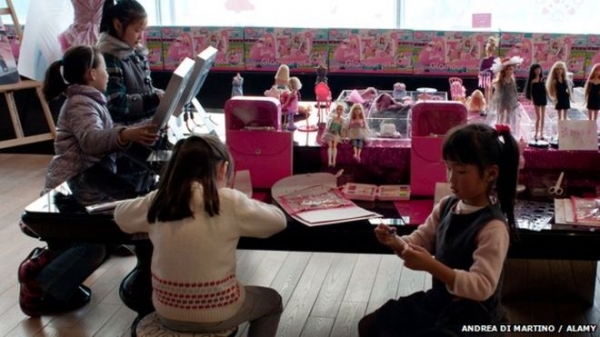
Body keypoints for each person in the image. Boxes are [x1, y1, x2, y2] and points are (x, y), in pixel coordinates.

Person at [18, 45, 158, 318]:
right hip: (70, 190)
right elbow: (91, 140)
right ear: (92, 74)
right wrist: (126, 135)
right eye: (105, 68)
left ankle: (54, 274)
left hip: (84, 186)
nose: (108, 74)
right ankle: (38, 282)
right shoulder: (81, 103)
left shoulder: (89, 100)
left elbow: (103, 134)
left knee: (105, 240)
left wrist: (128, 133)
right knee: (93, 246)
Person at [114, 135, 286, 336]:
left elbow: (120, 215)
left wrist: (152, 198)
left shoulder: (158, 200)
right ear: (222, 168)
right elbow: (278, 221)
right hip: (218, 311)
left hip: (166, 310)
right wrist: (245, 202)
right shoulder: (227, 200)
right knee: (272, 301)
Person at [359, 123, 519, 336]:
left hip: (474, 318)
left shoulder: (493, 227)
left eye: (461, 171)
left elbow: (482, 287)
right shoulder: (447, 205)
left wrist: (432, 266)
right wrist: (395, 241)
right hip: (441, 303)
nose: (451, 178)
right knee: (372, 325)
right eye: (448, 167)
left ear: (491, 173)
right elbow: (419, 240)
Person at [97, 0, 165, 191]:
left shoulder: (134, 53)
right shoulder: (109, 57)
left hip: (142, 133)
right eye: (137, 30)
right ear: (118, 25)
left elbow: (142, 89)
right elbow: (116, 104)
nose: (140, 37)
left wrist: (158, 98)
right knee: (133, 193)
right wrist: (153, 99)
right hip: (125, 145)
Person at [490, 56, 522, 130]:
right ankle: (498, 128)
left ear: (512, 70)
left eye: (510, 69)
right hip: (502, 100)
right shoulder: (502, 80)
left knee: (509, 115)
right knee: (500, 115)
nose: (508, 71)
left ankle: (508, 129)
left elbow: (514, 90)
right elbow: (497, 91)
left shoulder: (512, 80)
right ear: (504, 71)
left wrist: (517, 99)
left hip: (510, 100)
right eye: (507, 69)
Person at [524, 63, 548, 142]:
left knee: (543, 117)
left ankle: (541, 133)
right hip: (537, 99)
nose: (538, 71)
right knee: (538, 117)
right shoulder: (532, 81)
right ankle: (536, 133)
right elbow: (531, 93)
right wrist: (532, 100)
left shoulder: (543, 79)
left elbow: (545, 90)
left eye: (539, 69)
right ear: (533, 71)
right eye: (536, 69)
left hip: (543, 98)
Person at [478, 36, 498, 116]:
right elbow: (481, 70)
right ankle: (488, 107)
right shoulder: (487, 59)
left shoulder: (491, 59)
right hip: (487, 77)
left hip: (489, 77)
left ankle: (489, 107)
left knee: (489, 91)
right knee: (488, 91)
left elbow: (481, 69)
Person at [322, 103, 346, 167]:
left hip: (337, 135)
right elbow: (328, 127)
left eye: (340, 110)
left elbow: (342, 130)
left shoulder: (342, 120)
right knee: (330, 145)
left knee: (334, 145)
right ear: (336, 110)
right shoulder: (333, 118)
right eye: (338, 109)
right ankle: (329, 161)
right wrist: (331, 130)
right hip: (330, 133)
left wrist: (341, 134)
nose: (339, 111)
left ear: (342, 111)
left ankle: (334, 161)